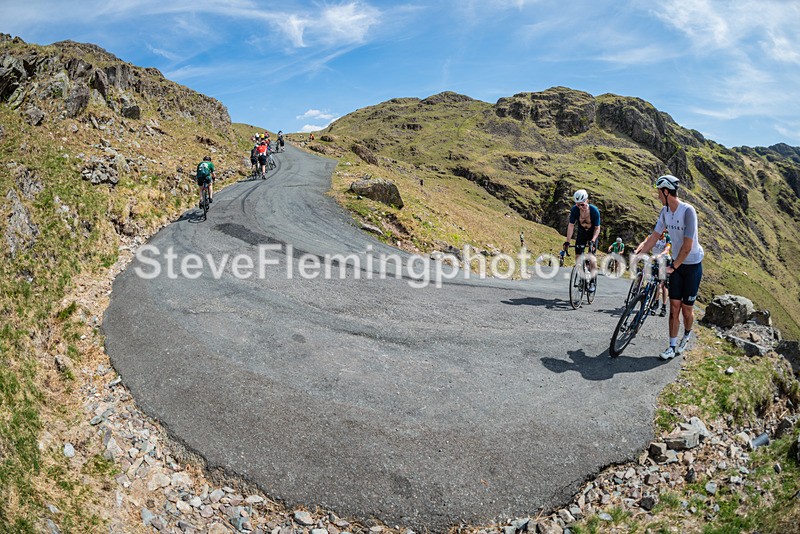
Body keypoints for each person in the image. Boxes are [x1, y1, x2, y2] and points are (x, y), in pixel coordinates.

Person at [634, 175, 704, 360]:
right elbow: (654, 236)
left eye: (659, 192)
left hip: (692, 265)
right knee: (674, 307)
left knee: (687, 310)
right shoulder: (664, 212)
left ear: (666, 192)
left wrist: (673, 266)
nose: (657, 196)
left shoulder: (688, 211)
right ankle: (672, 347)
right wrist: (640, 254)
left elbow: (687, 246)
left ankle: (686, 334)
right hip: (676, 265)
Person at [563, 189, 601, 292]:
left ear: (587, 201)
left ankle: (592, 281)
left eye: (582, 204)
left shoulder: (594, 211)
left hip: (593, 234)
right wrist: (567, 241)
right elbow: (571, 226)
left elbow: (597, 228)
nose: (580, 207)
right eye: (578, 205)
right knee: (578, 257)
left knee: (592, 257)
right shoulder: (575, 210)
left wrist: (593, 240)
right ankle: (582, 278)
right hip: (582, 234)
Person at [650, 230, 672, 317]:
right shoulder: (654, 236)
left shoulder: (667, 237)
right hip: (657, 260)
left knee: (663, 285)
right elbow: (646, 243)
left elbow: (667, 249)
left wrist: (661, 254)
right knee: (656, 283)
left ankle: (663, 307)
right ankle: (655, 302)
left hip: (665, 261)